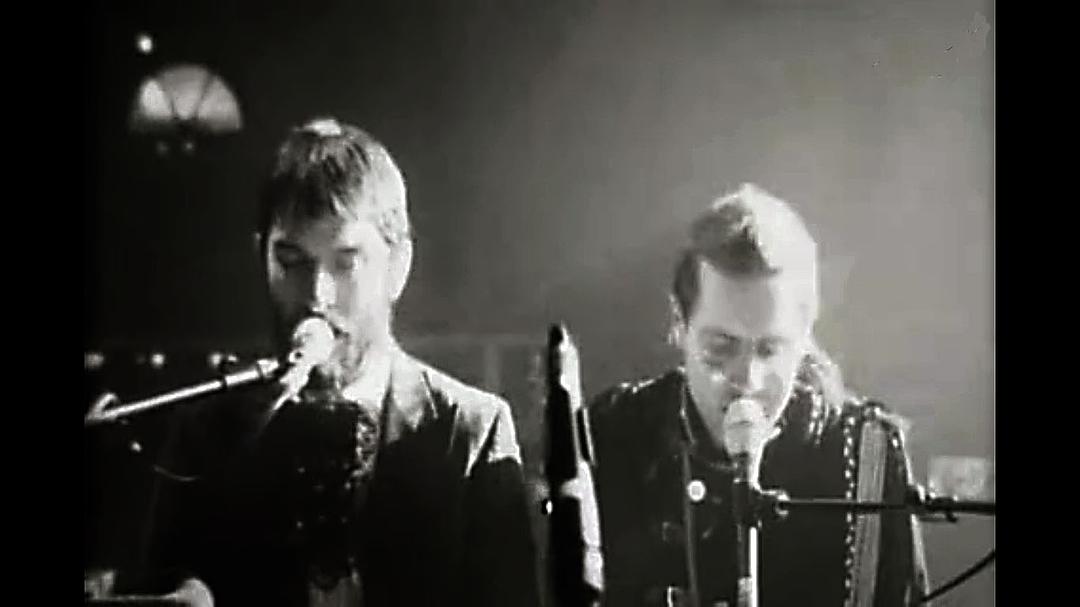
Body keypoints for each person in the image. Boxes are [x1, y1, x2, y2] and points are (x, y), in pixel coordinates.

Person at [128, 118, 541, 607]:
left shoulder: (472, 431)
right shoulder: (203, 434)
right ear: (260, 258)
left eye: (346, 262)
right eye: (291, 262)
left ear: (398, 266)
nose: (316, 296)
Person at [586, 184, 930, 607]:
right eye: (720, 347)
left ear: (805, 337)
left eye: (770, 349)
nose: (748, 379)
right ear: (679, 324)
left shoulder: (866, 459)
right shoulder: (614, 434)